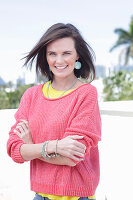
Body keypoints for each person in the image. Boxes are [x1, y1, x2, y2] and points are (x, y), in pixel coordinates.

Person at [7, 23, 101, 200]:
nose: (59, 61)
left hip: (78, 196)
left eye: (66, 53)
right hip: (40, 195)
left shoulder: (86, 93)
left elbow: (71, 158)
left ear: (77, 55)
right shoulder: (31, 95)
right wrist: (54, 147)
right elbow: (14, 150)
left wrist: (32, 146)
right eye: (52, 54)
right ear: (46, 56)